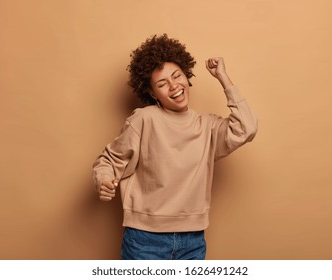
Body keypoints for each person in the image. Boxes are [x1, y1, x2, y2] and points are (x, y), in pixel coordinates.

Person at [92, 34, 258, 260]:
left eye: (176, 76)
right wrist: (104, 179)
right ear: (152, 93)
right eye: (162, 84)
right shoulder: (144, 119)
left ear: (186, 74)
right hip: (144, 239)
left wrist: (223, 78)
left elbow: (246, 127)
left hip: (193, 239)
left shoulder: (207, 126)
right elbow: (110, 160)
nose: (173, 86)